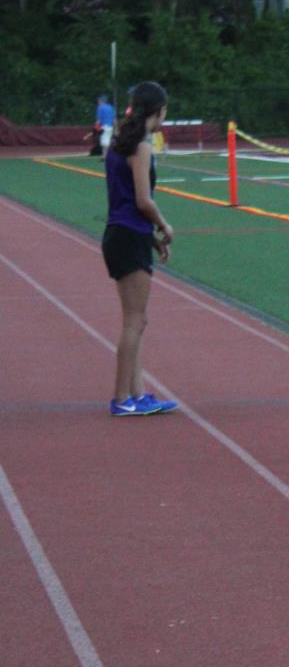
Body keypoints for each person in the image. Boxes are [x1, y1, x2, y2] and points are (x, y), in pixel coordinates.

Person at [101, 80, 178, 416]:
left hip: (122, 234)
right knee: (134, 321)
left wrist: (151, 239)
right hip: (129, 235)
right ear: (158, 111)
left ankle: (137, 393)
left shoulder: (119, 143)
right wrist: (164, 225)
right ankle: (121, 398)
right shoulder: (141, 147)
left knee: (137, 319)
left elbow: (126, 203)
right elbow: (143, 200)